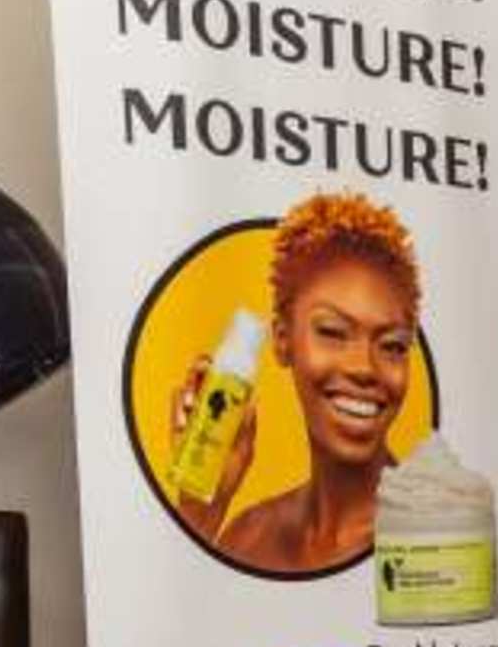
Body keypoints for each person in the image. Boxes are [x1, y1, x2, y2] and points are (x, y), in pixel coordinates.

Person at [174, 191, 421, 574]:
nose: (364, 368)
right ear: (282, 340)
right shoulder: (249, 535)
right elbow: (183, 629)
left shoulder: (433, 539)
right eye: (333, 331)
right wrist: (202, 507)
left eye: (392, 346)